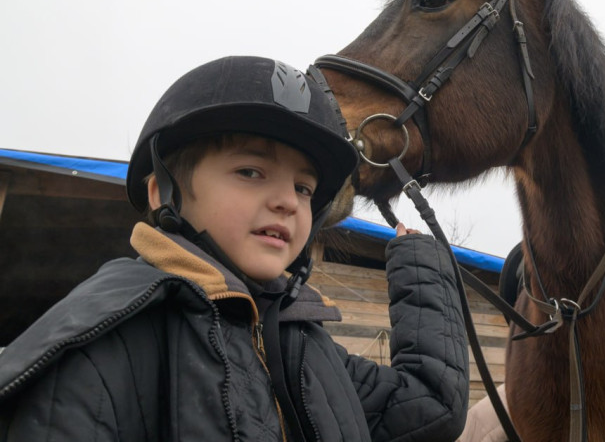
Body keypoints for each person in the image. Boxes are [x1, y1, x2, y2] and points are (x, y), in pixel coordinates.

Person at [0, 56, 469, 441]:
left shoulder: (304, 344)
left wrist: (421, 263)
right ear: (163, 193)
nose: (287, 201)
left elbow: (426, 408)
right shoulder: (98, 347)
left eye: (304, 189)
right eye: (250, 172)